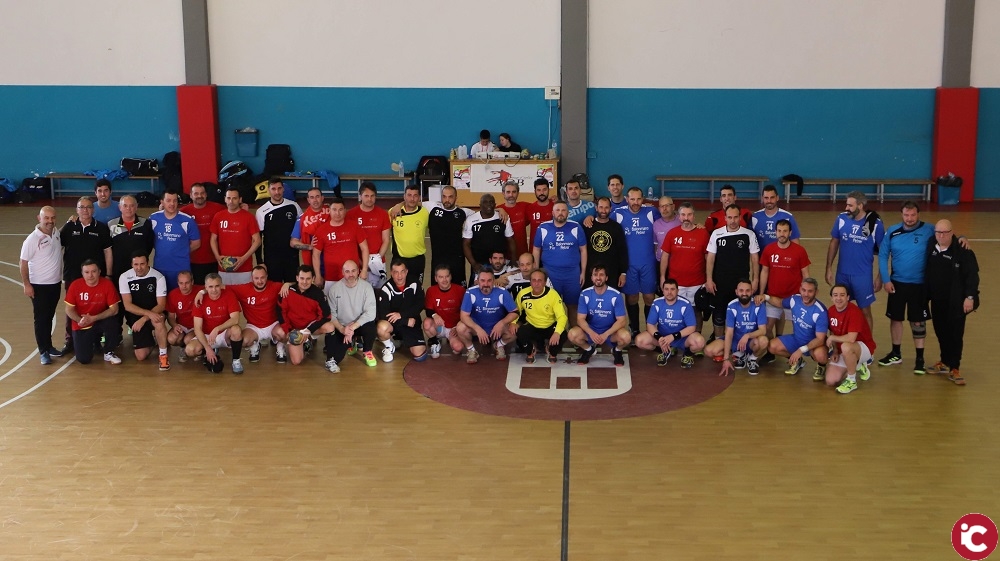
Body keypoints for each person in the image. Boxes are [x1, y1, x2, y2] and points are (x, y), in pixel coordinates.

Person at [877, 201, 968, 373]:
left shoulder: (929, 230)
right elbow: (883, 256)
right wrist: (886, 280)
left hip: (920, 285)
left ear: (918, 214)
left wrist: (962, 237)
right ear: (902, 214)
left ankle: (920, 358)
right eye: (906, 215)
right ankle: (896, 353)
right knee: (895, 318)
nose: (909, 218)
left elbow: (947, 236)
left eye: (913, 215)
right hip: (896, 283)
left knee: (918, 321)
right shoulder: (892, 231)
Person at [924, 219, 979, 385]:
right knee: (941, 331)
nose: (941, 236)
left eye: (945, 232)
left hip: (957, 302)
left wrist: (970, 297)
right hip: (937, 300)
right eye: (938, 232)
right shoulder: (931, 245)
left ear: (951, 233)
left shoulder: (963, 250)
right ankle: (944, 361)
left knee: (955, 334)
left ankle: (955, 368)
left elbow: (972, 276)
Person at [59, 197, 113, 354]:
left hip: (95, 278)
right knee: (71, 309)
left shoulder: (101, 228)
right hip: (72, 276)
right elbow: (56, 242)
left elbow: (108, 252)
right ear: (77, 210)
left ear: (93, 209)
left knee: (96, 306)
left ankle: (96, 340)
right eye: (81, 207)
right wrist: (66, 223)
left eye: (88, 207)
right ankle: (70, 340)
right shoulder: (69, 227)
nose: (85, 210)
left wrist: (109, 274)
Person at [825, 190, 885, 330]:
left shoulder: (875, 224)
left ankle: (867, 342)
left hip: (862, 276)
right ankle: (841, 340)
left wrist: (880, 277)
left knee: (865, 311)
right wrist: (828, 268)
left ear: (860, 206)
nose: (846, 208)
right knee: (841, 308)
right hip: (842, 274)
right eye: (847, 204)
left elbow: (883, 252)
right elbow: (834, 242)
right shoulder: (841, 219)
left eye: (850, 205)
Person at [757, 219, 810, 360]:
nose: (782, 234)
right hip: (773, 297)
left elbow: (806, 274)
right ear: (775, 232)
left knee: (799, 330)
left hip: (794, 299)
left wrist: (806, 295)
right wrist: (761, 293)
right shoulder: (769, 249)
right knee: (767, 328)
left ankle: (797, 357)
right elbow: (764, 272)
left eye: (785, 231)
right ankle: (773, 351)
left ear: (790, 233)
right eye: (779, 231)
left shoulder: (799, 251)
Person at [705, 204, 760, 340]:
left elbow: (755, 259)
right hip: (720, 283)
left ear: (740, 217)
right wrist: (709, 279)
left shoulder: (749, 234)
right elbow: (710, 258)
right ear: (725, 218)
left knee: (739, 315)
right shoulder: (716, 234)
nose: (733, 220)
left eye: (735, 217)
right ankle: (719, 342)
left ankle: (736, 344)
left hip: (740, 285)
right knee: (719, 315)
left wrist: (755, 280)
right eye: (730, 217)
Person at [613, 187, 661, 338]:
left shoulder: (651, 212)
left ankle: (650, 329)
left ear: (643, 199)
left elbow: (669, 220)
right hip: (629, 265)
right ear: (627, 199)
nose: (635, 202)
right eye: (632, 199)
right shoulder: (618, 214)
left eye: (639, 199)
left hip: (648, 264)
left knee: (649, 297)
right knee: (632, 297)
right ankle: (634, 329)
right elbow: (603, 222)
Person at [20, 206, 65, 365]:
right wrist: (27, 284)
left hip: (55, 284)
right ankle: (43, 351)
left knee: (49, 316)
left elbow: (59, 235)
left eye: (52, 218)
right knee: (41, 319)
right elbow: (23, 263)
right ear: (39, 218)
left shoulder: (56, 233)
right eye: (46, 218)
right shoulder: (32, 240)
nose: (50, 221)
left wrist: (68, 223)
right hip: (39, 286)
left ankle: (49, 346)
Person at [759, 278, 829, 379]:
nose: (806, 294)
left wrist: (801, 350)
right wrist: (766, 297)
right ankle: (797, 361)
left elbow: (820, 339)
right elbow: (780, 302)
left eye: (810, 291)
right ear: (800, 289)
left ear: (816, 292)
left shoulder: (820, 311)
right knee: (772, 346)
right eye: (804, 290)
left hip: (813, 344)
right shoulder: (795, 299)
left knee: (820, 355)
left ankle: (821, 366)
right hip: (797, 339)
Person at [659, 202, 710, 335]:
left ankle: (696, 338)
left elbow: (708, 258)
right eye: (683, 215)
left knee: (696, 311)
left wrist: (709, 279)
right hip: (676, 283)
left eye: (689, 214)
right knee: (677, 312)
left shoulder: (703, 233)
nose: (686, 218)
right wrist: (663, 277)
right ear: (679, 216)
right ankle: (676, 339)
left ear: (694, 216)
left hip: (697, 283)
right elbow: (665, 257)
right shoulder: (672, 233)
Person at [533, 200, 587, 321]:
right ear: (552, 213)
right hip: (550, 274)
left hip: (572, 274)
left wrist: (583, 272)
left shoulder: (576, 227)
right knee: (550, 306)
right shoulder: (543, 228)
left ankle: (573, 331)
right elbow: (536, 249)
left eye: (563, 210)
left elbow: (583, 250)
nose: (560, 213)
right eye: (557, 210)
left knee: (573, 305)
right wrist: (536, 271)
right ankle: (553, 331)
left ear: (568, 213)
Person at [567, 266, 630, 366]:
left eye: (601, 275)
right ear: (591, 278)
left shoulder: (615, 295)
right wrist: (591, 333)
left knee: (626, 337)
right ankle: (589, 349)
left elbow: (622, 321)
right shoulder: (585, 294)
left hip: (610, 332)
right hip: (592, 330)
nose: (598, 278)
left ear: (606, 278)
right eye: (595, 275)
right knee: (572, 334)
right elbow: (580, 319)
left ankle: (617, 351)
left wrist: (606, 334)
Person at [635, 278, 706, 367]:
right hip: (663, 338)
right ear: (663, 291)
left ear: (677, 291)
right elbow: (650, 325)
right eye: (666, 289)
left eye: (672, 289)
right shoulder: (657, 303)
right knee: (639, 341)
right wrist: (659, 338)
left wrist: (673, 336)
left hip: (681, 338)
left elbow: (692, 327)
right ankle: (664, 351)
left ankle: (687, 354)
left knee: (700, 342)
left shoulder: (685, 304)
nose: (669, 292)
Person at [224, 265, 286, 364]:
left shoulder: (275, 286)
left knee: (283, 333)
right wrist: (202, 292)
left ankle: (280, 346)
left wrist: (287, 284)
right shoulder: (243, 289)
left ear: (267, 277)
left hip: (273, 324)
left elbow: (296, 286)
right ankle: (255, 344)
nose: (259, 281)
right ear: (252, 278)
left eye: (262, 278)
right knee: (242, 342)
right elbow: (221, 287)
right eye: (256, 278)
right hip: (253, 326)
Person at [64, 260, 123, 365]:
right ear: (82, 273)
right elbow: (68, 309)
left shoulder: (107, 284)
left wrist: (93, 318)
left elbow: (114, 309)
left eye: (93, 271)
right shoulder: (75, 285)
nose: (90, 275)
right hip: (82, 324)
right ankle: (93, 342)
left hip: (99, 320)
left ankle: (108, 352)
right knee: (84, 359)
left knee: (112, 322)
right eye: (87, 272)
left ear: (99, 272)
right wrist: (80, 320)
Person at [118, 252, 170, 371]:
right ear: (131, 264)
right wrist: (147, 314)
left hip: (155, 313)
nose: (139, 267)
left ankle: (163, 356)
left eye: (142, 264)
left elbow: (161, 305)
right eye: (136, 264)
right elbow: (128, 305)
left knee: (158, 321)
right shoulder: (124, 277)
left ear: (148, 263)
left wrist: (145, 318)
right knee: (141, 356)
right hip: (136, 316)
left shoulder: (158, 277)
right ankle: (154, 342)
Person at [705, 279, 768, 376]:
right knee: (709, 351)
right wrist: (726, 359)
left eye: (747, 290)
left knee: (764, 341)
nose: (744, 293)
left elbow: (763, 330)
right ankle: (740, 355)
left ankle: (752, 359)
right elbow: (729, 333)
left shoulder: (758, 305)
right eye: (741, 290)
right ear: (736, 292)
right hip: (736, 341)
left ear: (752, 291)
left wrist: (748, 335)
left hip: (751, 341)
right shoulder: (732, 306)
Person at [456, 267, 519, 363]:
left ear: (493, 281)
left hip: (497, 327)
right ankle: (472, 350)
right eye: (482, 280)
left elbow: (515, 312)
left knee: (516, 331)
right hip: (477, 327)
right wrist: (477, 329)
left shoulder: (502, 292)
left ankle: (499, 345)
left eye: (489, 280)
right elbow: (463, 316)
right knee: (460, 327)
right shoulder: (470, 292)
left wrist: (501, 323)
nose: (486, 284)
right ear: (478, 281)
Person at [276, 265, 336, 366]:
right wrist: (289, 331)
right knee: (296, 361)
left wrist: (309, 330)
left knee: (330, 326)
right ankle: (305, 344)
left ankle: (331, 359)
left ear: (313, 279)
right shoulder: (287, 291)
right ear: (297, 278)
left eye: (308, 279)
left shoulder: (318, 294)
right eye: (302, 278)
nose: (304, 282)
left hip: (309, 328)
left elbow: (326, 316)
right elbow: (281, 312)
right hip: (294, 330)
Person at [325, 260, 379, 371]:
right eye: (347, 271)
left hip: (360, 325)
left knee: (371, 327)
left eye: (353, 271)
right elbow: (332, 315)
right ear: (343, 272)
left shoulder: (367, 287)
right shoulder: (334, 289)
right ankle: (352, 343)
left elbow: (370, 313)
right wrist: (343, 329)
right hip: (343, 327)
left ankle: (367, 351)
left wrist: (352, 327)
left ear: (358, 271)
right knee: (336, 358)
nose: (351, 274)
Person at [824, 284, 876, 394]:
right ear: (831, 298)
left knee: (846, 346)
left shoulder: (854, 311)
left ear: (848, 297)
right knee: (830, 381)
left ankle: (852, 381)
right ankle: (858, 365)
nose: (838, 298)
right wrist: (835, 351)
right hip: (843, 349)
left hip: (863, 347)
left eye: (842, 295)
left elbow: (851, 338)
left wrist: (833, 338)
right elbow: (832, 331)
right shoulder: (831, 311)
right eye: (835, 295)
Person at [187, 273, 244, 374]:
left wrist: (217, 328)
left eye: (217, 286)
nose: (214, 290)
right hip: (207, 335)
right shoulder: (199, 300)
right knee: (190, 350)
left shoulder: (229, 295)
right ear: (205, 287)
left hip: (223, 333)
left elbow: (235, 319)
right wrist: (207, 348)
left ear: (221, 286)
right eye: (210, 287)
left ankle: (236, 361)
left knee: (236, 330)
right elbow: (197, 328)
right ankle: (209, 353)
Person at [376, 259, 427, 362]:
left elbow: (421, 304)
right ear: (391, 273)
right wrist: (405, 320)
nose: (399, 276)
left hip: (412, 324)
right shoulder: (386, 289)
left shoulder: (415, 283)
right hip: (396, 324)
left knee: (420, 355)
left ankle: (403, 340)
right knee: (381, 327)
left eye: (402, 271)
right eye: (396, 272)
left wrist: (401, 314)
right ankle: (390, 345)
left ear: (406, 272)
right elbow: (384, 315)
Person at [149, 190, 201, 292]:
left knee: (181, 296)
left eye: (175, 201)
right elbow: (149, 240)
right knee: (161, 296)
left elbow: (196, 243)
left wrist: (181, 251)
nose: (172, 204)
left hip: (181, 268)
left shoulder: (187, 220)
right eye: (168, 200)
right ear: (162, 202)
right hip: (160, 267)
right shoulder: (153, 218)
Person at [512, 269, 567, 364]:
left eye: (539, 280)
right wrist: (513, 323)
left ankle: (551, 351)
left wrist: (557, 332)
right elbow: (516, 311)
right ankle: (531, 351)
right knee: (520, 332)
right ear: (530, 282)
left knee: (563, 334)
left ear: (545, 282)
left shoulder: (553, 294)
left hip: (549, 325)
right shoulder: (522, 294)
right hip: (532, 325)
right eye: (534, 280)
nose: (536, 283)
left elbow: (562, 316)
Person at [311, 198, 369, 289]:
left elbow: (364, 248)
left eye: (340, 210)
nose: (337, 213)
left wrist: (364, 269)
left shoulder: (354, 226)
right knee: (331, 298)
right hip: (331, 277)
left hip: (352, 276)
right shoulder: (321, 230)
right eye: (334, 210)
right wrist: (318, 275)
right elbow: (316, 254)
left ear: (345, 211)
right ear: (329, 211)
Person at [425, 185, 476, 286]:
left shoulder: (464, 212)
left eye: (450, 197)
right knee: (438, 289)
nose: (447, 200)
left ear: (456, 198)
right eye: (444, 196)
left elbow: (485, 213)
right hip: (438, 259)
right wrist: (398, 205)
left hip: (457, 260)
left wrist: (500, 210)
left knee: (459, 289)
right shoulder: (432, 207)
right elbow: (411, 202)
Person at [256, 177, 302, 282]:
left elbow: (302, 229)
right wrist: (259, 261)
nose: (277, 192)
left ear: (283, 189)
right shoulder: (261, 211)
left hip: (292, 257)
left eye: (279, 188)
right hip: (272, 259)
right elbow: (258, 239)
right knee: (274, 288)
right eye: (273, 189)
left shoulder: (294, 206)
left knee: (292, 286)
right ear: (268, 190)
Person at [211, 187, 261, 285]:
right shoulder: (218, 216)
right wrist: (217, 256)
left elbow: (257, 240)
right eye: (229, 198)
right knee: (225, 294)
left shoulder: (249, 217)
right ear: (225, 199)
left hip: (244, 269)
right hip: (224, 267)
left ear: (240, 199)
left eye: (234, 198)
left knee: (243, 294)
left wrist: (243, 258)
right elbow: (213, 239)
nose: (231, 201)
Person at [463, 193, 517, 284]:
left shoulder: (502, 217)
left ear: (495, 205)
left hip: (499, 263)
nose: (488, 204)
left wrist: (514, 259)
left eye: (491, 202)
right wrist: (474, 263)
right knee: (478, 287)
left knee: (500, 286)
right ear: (480, 205)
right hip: (480, 264)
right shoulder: (471, 220)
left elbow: (510, 240)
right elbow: (466, 244)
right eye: (485, 202)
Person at [345, 182, 392, 288]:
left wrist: (376, 260)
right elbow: (349, 241)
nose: (369, 199)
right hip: (357, 263)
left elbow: (386, 240)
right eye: (366, 196)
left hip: (379, 263)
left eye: (372, 196)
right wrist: (363, 263)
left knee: (380, 292)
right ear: (360, 196)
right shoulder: (350, 215)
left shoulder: (383, 214)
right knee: (359, 293)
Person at [180, 183, 226, 285]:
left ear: (206, 194)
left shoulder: (218, 208)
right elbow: (170, 217)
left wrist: (241, 206)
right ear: (191, 195)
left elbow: (233, 209)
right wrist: (162, 209)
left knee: (214, 288)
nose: (199, 196)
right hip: (192, 260)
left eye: (202, 193)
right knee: (197, 289)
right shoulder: (184, 212)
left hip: (214, 259)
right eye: (196, 193)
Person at [108, 195, 154, 287]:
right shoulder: (111, 224)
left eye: (132, 205)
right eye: (125, 205)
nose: (128, 209)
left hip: (139, 269)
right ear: (120, 207)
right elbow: (108, 249)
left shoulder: (145, 224)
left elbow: (149, 245)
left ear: (136, 207)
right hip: (118, 269)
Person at [582, 197, 628, 289]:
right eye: (601, 207)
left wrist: (623, 273)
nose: (603, 210)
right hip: (591, 272)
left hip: (612, 272)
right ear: (596, 208)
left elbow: (622, 251)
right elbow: (582, 250)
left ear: (611, 209)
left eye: (606, 207)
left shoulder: (616, 227)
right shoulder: (588, 226)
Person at [422, 265, 466, 359]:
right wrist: (435, 315)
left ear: (451, 277)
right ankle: (435, 342)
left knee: (458, 348)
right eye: (441, 277)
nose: (444, 280)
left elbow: (466, 312)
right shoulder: (431, 290)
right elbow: (428, 310)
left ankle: (453, 340)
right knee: (427, 323)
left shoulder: (460, 290)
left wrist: (458, 327)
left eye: (447, 276)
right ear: (436, 278)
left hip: (453, 328)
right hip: (439, 327)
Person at [391, 184, 429, 286]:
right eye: (409, 195)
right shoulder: (394, 212)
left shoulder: (425, 213)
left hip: (418, 260)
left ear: (419, 197)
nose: (412, 199)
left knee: (416, 288)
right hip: (399, 259)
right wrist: (398, 205)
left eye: (415, 195)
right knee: (398, 287)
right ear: (404, 196)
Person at [290, 186, 330, 270]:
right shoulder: (302, 219)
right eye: (312, 197)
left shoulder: (332, 212)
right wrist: (309, 247)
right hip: (314, 262)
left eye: (317, 196)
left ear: (322, 198)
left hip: (332, 257)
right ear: (308, 200)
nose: (315, 200)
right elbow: (293, 242)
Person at [166, 270, 200, 360]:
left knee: (188, 339)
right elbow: (171, 316)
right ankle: (184, 348)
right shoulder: (173, 294)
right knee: (171, 339)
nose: (184, 286)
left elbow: (213, 288)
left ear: (192, 282)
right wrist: (175, 325)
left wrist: (203, 292)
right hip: (182, 326)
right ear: (177, 283)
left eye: (187, 283)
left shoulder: (200, 291)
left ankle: (201, 351)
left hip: (197, 326)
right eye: (181, 283)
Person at [501, 180, 532, 258]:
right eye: (508, 192)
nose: (511, 195)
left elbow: (540, 204)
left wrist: (552, 199)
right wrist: (499, 209)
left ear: (518, 193)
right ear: (503, 193)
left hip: (522, 257)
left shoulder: (525, 206)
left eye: (514, 192)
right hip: (503, 258)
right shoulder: (498, 210)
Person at [526, 177, 554, 251]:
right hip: (534, 250)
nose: (542, 193)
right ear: (535, 191)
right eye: (538, 190)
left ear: (549, 190)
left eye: (544, 189)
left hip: (551, 250)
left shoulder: (556, 207)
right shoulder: (529, 208)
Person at [652, 196, 680, 264]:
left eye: (667, 205)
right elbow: (656, 245)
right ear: (659, 209)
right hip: (660, 262)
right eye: (662, 206)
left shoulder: (681, 220)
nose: (664, 209)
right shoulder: (656, 224)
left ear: (673, 207)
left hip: (677, 262)